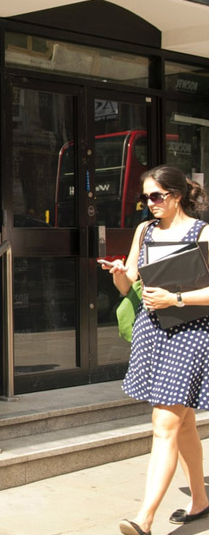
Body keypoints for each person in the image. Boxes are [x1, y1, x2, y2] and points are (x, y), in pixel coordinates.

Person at [101, 165, 209, 535]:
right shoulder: (144, 230)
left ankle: (144, 519)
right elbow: (128, 281)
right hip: (153, 331)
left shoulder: (203, 233)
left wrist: (175, 298)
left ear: (177, 195)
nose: (150, 204)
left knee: (165, 423)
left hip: (191, 332)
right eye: (145, 197)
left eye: (156, 196)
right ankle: (200, 499)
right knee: (184, 423)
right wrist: (118, 272)